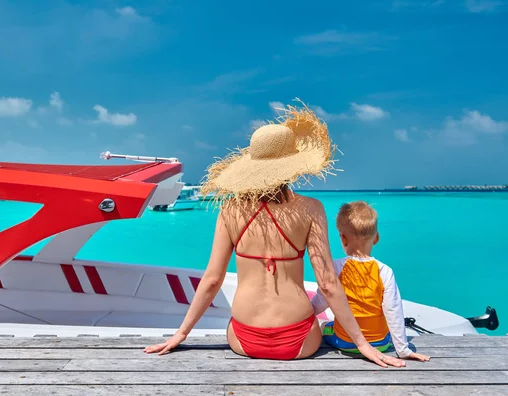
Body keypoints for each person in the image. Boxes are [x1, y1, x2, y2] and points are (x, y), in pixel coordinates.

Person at [144, 101, 405, 367]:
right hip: (300, 340)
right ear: (292, 167)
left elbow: (212, 280)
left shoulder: (230, 209)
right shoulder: (311, 209)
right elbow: (328, 284)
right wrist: (362, 344)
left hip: (244, 339)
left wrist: (181, 333)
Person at [310, 201, 430, 362]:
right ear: (376, 238)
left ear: (343, 239)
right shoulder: (384, 271)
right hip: (381, 343)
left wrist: (303, 315)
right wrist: (403, 350)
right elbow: (393, 311)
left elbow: (320, 302)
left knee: (326, 326)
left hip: (346, 342)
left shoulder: (336, 267)